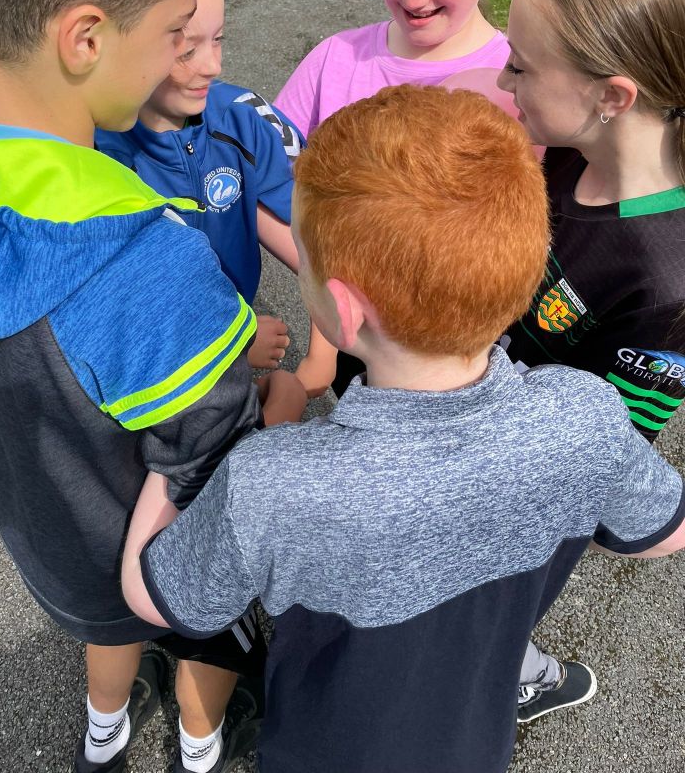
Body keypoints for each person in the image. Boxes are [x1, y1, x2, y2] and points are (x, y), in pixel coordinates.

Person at [122, 83, 685, 773]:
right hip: (474, 741)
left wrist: (174, 457)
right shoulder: (585, 415)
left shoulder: (271, 482)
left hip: (326, 749)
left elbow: (157, 596)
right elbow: (665, 534)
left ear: (343, 312)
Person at [0, 0, 285, 773]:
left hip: (47, 540)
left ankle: (105, 733)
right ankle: (202, 748)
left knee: (104, 630)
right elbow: (215, 471)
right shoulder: (144, 259)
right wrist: (284, 388)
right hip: (145, 559)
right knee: (212, 634)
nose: (182, 57)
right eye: (171, 32)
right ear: (84, 38)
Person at [497, 0, 685, 723]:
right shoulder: (570, 152)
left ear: (613, 96)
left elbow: (614, 450)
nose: (502, 79)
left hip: (531, 497)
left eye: (521, 66)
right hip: (479, 412)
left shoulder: (667, 278)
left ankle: (517, 675)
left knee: (491, 619)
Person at [274, 0, 516, 396]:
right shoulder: (334, 62)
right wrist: (323, 348)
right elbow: (284, 196)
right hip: (354, 352)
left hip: (468, 373)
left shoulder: (519, 88)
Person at [96, 0, 324, 381]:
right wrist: (232, 341)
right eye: (187, 50)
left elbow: (321, 242)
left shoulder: (246, 118)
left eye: (218, 39)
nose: (213, 66)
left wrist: (322, 357)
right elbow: (115, 314)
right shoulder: (97, 153)